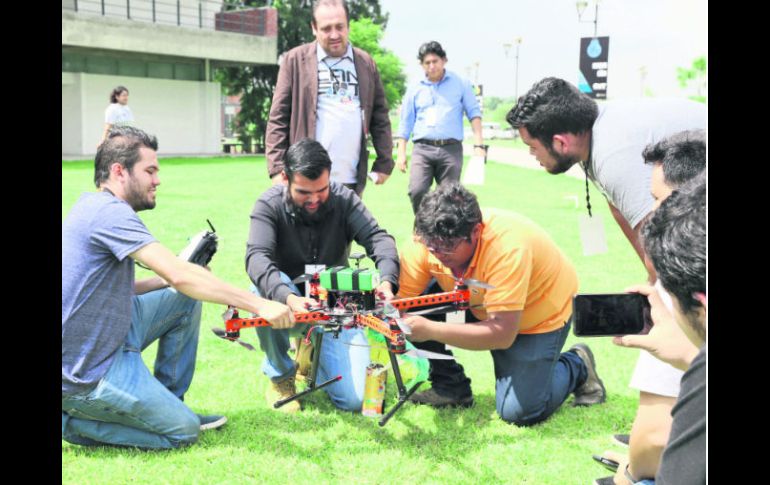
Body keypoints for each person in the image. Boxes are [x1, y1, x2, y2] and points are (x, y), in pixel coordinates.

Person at [62, 126, 294, 450]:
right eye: (150, 171)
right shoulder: (110, 214)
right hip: (87, 371)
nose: (157, 180)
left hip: (111, 333)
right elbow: (180, 274)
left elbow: (108, 288)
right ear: (119, 171)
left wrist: (164, 280)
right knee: (183, 432)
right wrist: (261, 305)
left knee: (183, 298)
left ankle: (168, 403)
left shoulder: (95, 206)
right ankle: (71, 421)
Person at [397, 182, 606, 425]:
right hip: (477, 304)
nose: (437, 253)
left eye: (447, 247)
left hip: (536, 316)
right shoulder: (425, 242)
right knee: (415, 308)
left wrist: (431, 330)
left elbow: (503, 333)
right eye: (431, 246)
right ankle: (450, 387)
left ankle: (578, 364)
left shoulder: (508, 248)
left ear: (476, 231)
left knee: (519, 412)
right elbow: (402, 303)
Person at [246, 137, 400, 413]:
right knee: (260, 293)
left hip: (336, 307)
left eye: (322, 189)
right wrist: (289, 297)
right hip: (287, 303)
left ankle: (311, 353)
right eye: (304, 192)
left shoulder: (345, 200)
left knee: (354, 400)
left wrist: (387, 281)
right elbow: (256, 258)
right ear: (285, 178)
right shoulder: (268, 205)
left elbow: (379, 239)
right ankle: (280, 375)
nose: (314, 199)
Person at [505, 77, 706, 282]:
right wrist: (653, 281)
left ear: (561, 143)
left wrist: (662, 290)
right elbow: (619, 209)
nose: (531, 153)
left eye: (532, 146)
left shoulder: (613, 155)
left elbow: (657, 233)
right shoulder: (590, 134)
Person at [597, 130, 707, 483]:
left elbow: (655, 439)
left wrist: (631, 472)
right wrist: (688, 358)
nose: (653, 212)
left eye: (660, 200)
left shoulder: (681, 284)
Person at [265, 0, 394, 197]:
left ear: (348, 25)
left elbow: (380, 117)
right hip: (305, 180)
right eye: (326, 28)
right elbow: (278, 118)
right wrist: (276, 168)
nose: (334, 35)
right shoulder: (295, 61)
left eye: (339, 27)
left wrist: (385, 162)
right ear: (314, 28)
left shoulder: (365, 63)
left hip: (350, 182)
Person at [395, 41, 486, 214]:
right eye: (427, 63)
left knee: (450, 198)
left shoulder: (461, 83)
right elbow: (405, 121)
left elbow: (474, 114)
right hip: (422, 149)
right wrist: (401, 153)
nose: (431, 66)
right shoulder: (414, 88)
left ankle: (444, 230)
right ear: (421, 65)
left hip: (450, 150)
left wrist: (479, 145)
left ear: (444, 60)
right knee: (417, 190)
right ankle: (423, 226)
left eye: (435, 61)